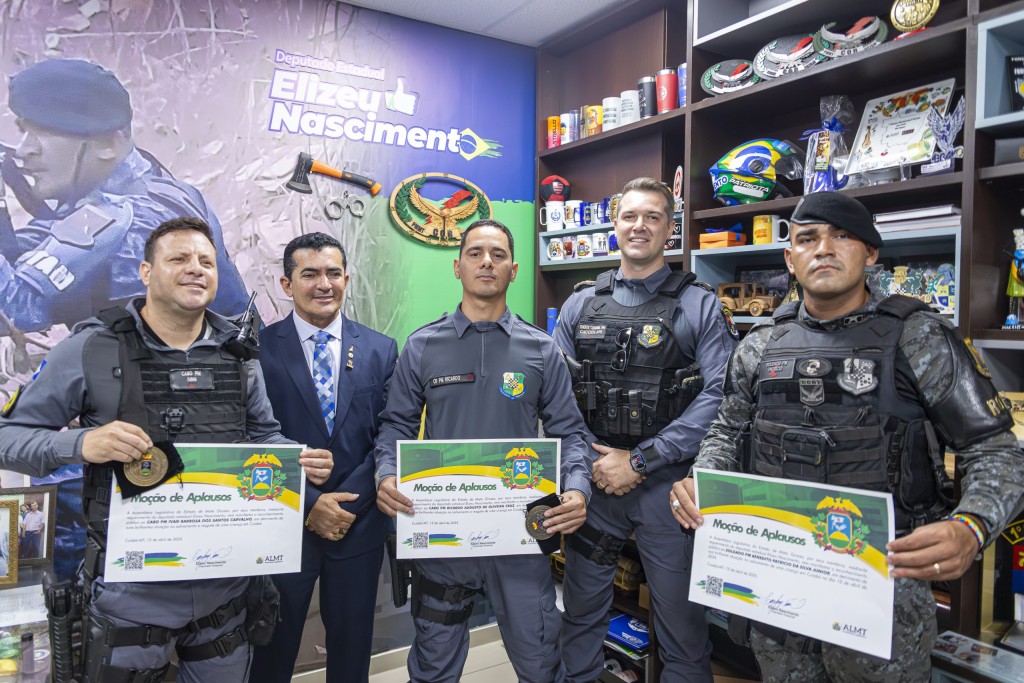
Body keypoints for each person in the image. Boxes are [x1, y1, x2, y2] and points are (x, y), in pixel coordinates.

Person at [670, 192, 1024, 682]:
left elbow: (997, 452)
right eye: (808, 239)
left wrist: (972, 526)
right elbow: (727, 431)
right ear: (790, 258)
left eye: (842, 236)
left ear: (871, 253)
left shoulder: (918, 338)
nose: (824, 249)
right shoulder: (761, 344)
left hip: (883, 593)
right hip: (779, 584)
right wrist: (701, 479)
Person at [0, 217, 334, 683]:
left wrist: (293, 457)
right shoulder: (93, 347)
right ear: (145, 271)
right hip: (131, 590)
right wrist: (82, 443)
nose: (195, 269)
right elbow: (9, 438)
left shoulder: (239, 354)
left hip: (225, 584)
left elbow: (264, 437)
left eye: (206, 262)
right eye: (179, 259)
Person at [374, 218, 591, 682]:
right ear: (458, 267)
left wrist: (577, 489)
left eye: (498, 254)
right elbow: (396, 424)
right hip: (443, 530)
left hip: (522, 530)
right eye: (475, 253)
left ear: (513, 269)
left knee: (540, 661)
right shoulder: (422, 345)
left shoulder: (541, 349)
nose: (486, 262)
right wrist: (386, 474)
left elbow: (570, 433)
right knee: (434, 665)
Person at [555, 177, 735, 682]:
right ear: (615, 226)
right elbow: (557, 395)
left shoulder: (699, 304)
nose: (640, 226)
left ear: (669, 228)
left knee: (683, 633)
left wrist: (640, 460)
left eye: (653, 217)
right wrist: (589, 466)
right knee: (580, 616)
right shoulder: (580, 304)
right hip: (594, 484)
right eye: (630, 216)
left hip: (667, 490)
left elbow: (720, 396)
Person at [0, 58, 249, 334]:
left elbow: (16, 310)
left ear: (107, 144)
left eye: (43, 134)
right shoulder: (144, 184)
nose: (24, 151)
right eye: (24, 133)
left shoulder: (127, 216)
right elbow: (35, 249)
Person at [251, 232, 398, 683]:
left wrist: (344, 503)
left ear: (346, 279)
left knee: (352, 650)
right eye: (310, 274)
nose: (324, 284)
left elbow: (391, 431)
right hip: (282, 520)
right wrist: (311, 503)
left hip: (359, 521)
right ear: (286, 283)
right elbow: (249, 436)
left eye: (334, 273)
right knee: (271, 647)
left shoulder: (381, 349)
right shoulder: (256, 351)